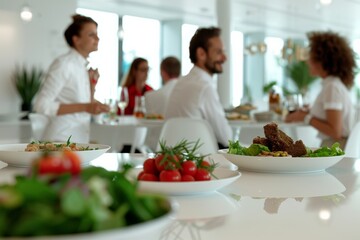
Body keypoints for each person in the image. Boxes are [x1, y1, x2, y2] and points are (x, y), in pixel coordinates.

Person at [34, 14, 110, 143]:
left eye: (97, 34)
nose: (97, 38)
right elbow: (41, 105)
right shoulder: (64, 64)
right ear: (76, 39)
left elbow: (83, 103)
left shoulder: (82, 66)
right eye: (91, 35)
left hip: (78, 140)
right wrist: (86, 107)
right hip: (60, 141)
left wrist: (93, 90)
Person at [285, 31, 356, 149]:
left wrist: (305, 117)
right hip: (336, 147)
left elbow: (335, 131)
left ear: (322, 60)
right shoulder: (333, 84)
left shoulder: (332, 87)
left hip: (335, 149)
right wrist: (310, 112)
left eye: (310, 56)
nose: (307, 61)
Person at [164, 27, 232, 148]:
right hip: (203, 159)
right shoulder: (205, 87)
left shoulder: (181, 83)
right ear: (201, 54)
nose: (224, 58)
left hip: (173, 159)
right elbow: (226, 138)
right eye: (218, 52)